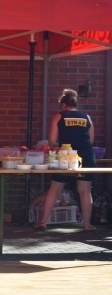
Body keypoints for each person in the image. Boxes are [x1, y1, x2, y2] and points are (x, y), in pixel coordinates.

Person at [36, 88, 96, 231]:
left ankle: (43, 222)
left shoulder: (59, 116)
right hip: (86, 156)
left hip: (66, 156)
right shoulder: (86, 117)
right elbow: (91, 140)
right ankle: (87, 225)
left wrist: (53, 148)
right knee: (85, 191)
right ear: (75, 104)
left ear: (63, 105)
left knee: (55, 189)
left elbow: (51, 141)